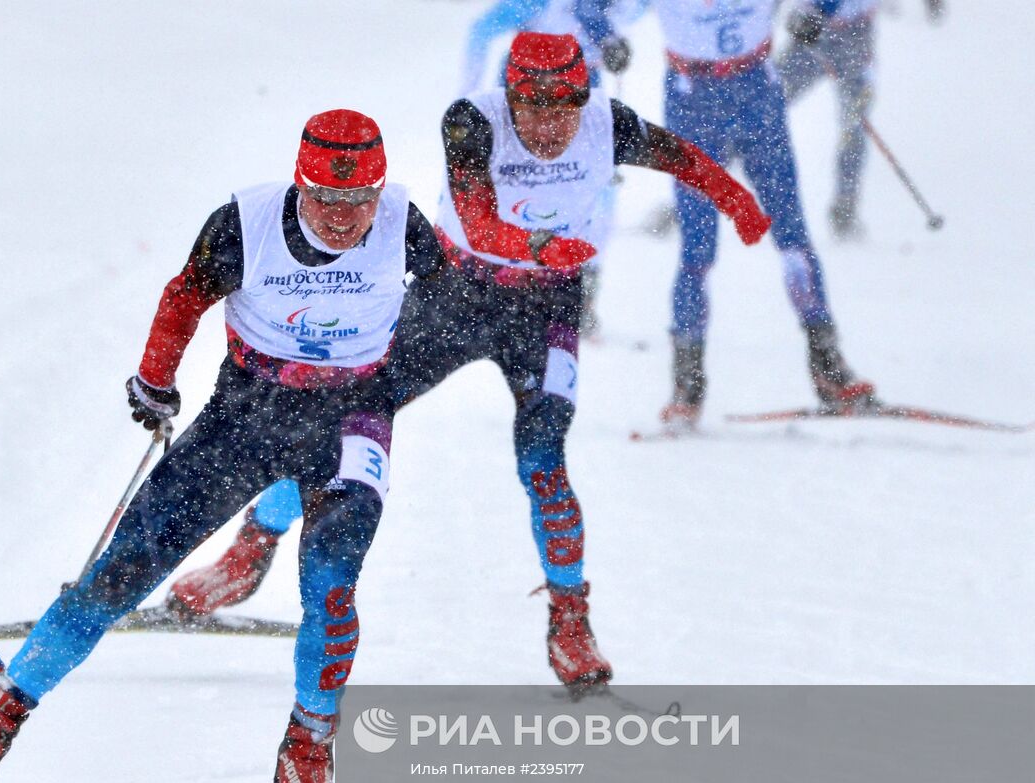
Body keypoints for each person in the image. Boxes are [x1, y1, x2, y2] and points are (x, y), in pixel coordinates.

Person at [162, 33, 771, 691]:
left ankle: (570, 616)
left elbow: (687, 161)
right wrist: (544, 246)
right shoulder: (472, 120)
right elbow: (481, 226)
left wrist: (738, 203)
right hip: (456, 292)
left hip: (546, 309)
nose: (546, 123)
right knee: (337, 426)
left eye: (563, 105)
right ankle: (251, 550)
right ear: (508, 95)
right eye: (530, 105)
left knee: (543, 459)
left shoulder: (607, 124)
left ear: (584, 95)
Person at [0, 110, 447, 783]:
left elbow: (448, 308)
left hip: (351, 423)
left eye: (359, 201)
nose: (344, 219)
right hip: (243, 421)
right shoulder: (244, 224)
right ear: (299, 184)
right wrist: (154, 381)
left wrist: (403, 372)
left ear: (379, 189)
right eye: (326, 201)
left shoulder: (406, 226)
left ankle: (308, 744)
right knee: (116, 576)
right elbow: (185, 295)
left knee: (333, 589)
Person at [577, 0, 881, 428]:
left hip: (758, 93)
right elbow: (589, 6)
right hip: (692, 103)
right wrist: (607, 40)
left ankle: (829, 370)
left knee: (792, 235)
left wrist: (819, 11)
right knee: (698, 250)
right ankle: (687, 387)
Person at [458, 0, 650, 336]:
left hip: (583, 91)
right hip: (522, 93)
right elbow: (481, 32)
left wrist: (614, 45)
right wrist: (467, 100)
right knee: (515, 189)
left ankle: (583, 291)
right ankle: (496, 288)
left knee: (595, 187)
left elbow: (633, 15)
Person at [776, 0, 945, 238]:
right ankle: (720, 175)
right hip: (812, 32)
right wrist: (797, 15)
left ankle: (844, 209)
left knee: (854, 124)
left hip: (855, 38)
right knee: (766, 103)